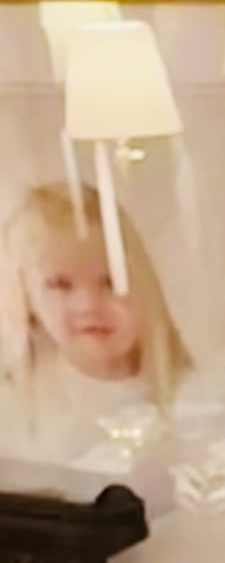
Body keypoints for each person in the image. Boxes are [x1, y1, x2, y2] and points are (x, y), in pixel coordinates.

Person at [0, 176, 189, 464]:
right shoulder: (17, 407)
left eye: (111, 282)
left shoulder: (185, 392)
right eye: (61, 284)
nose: (88, 305)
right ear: (27, 297)